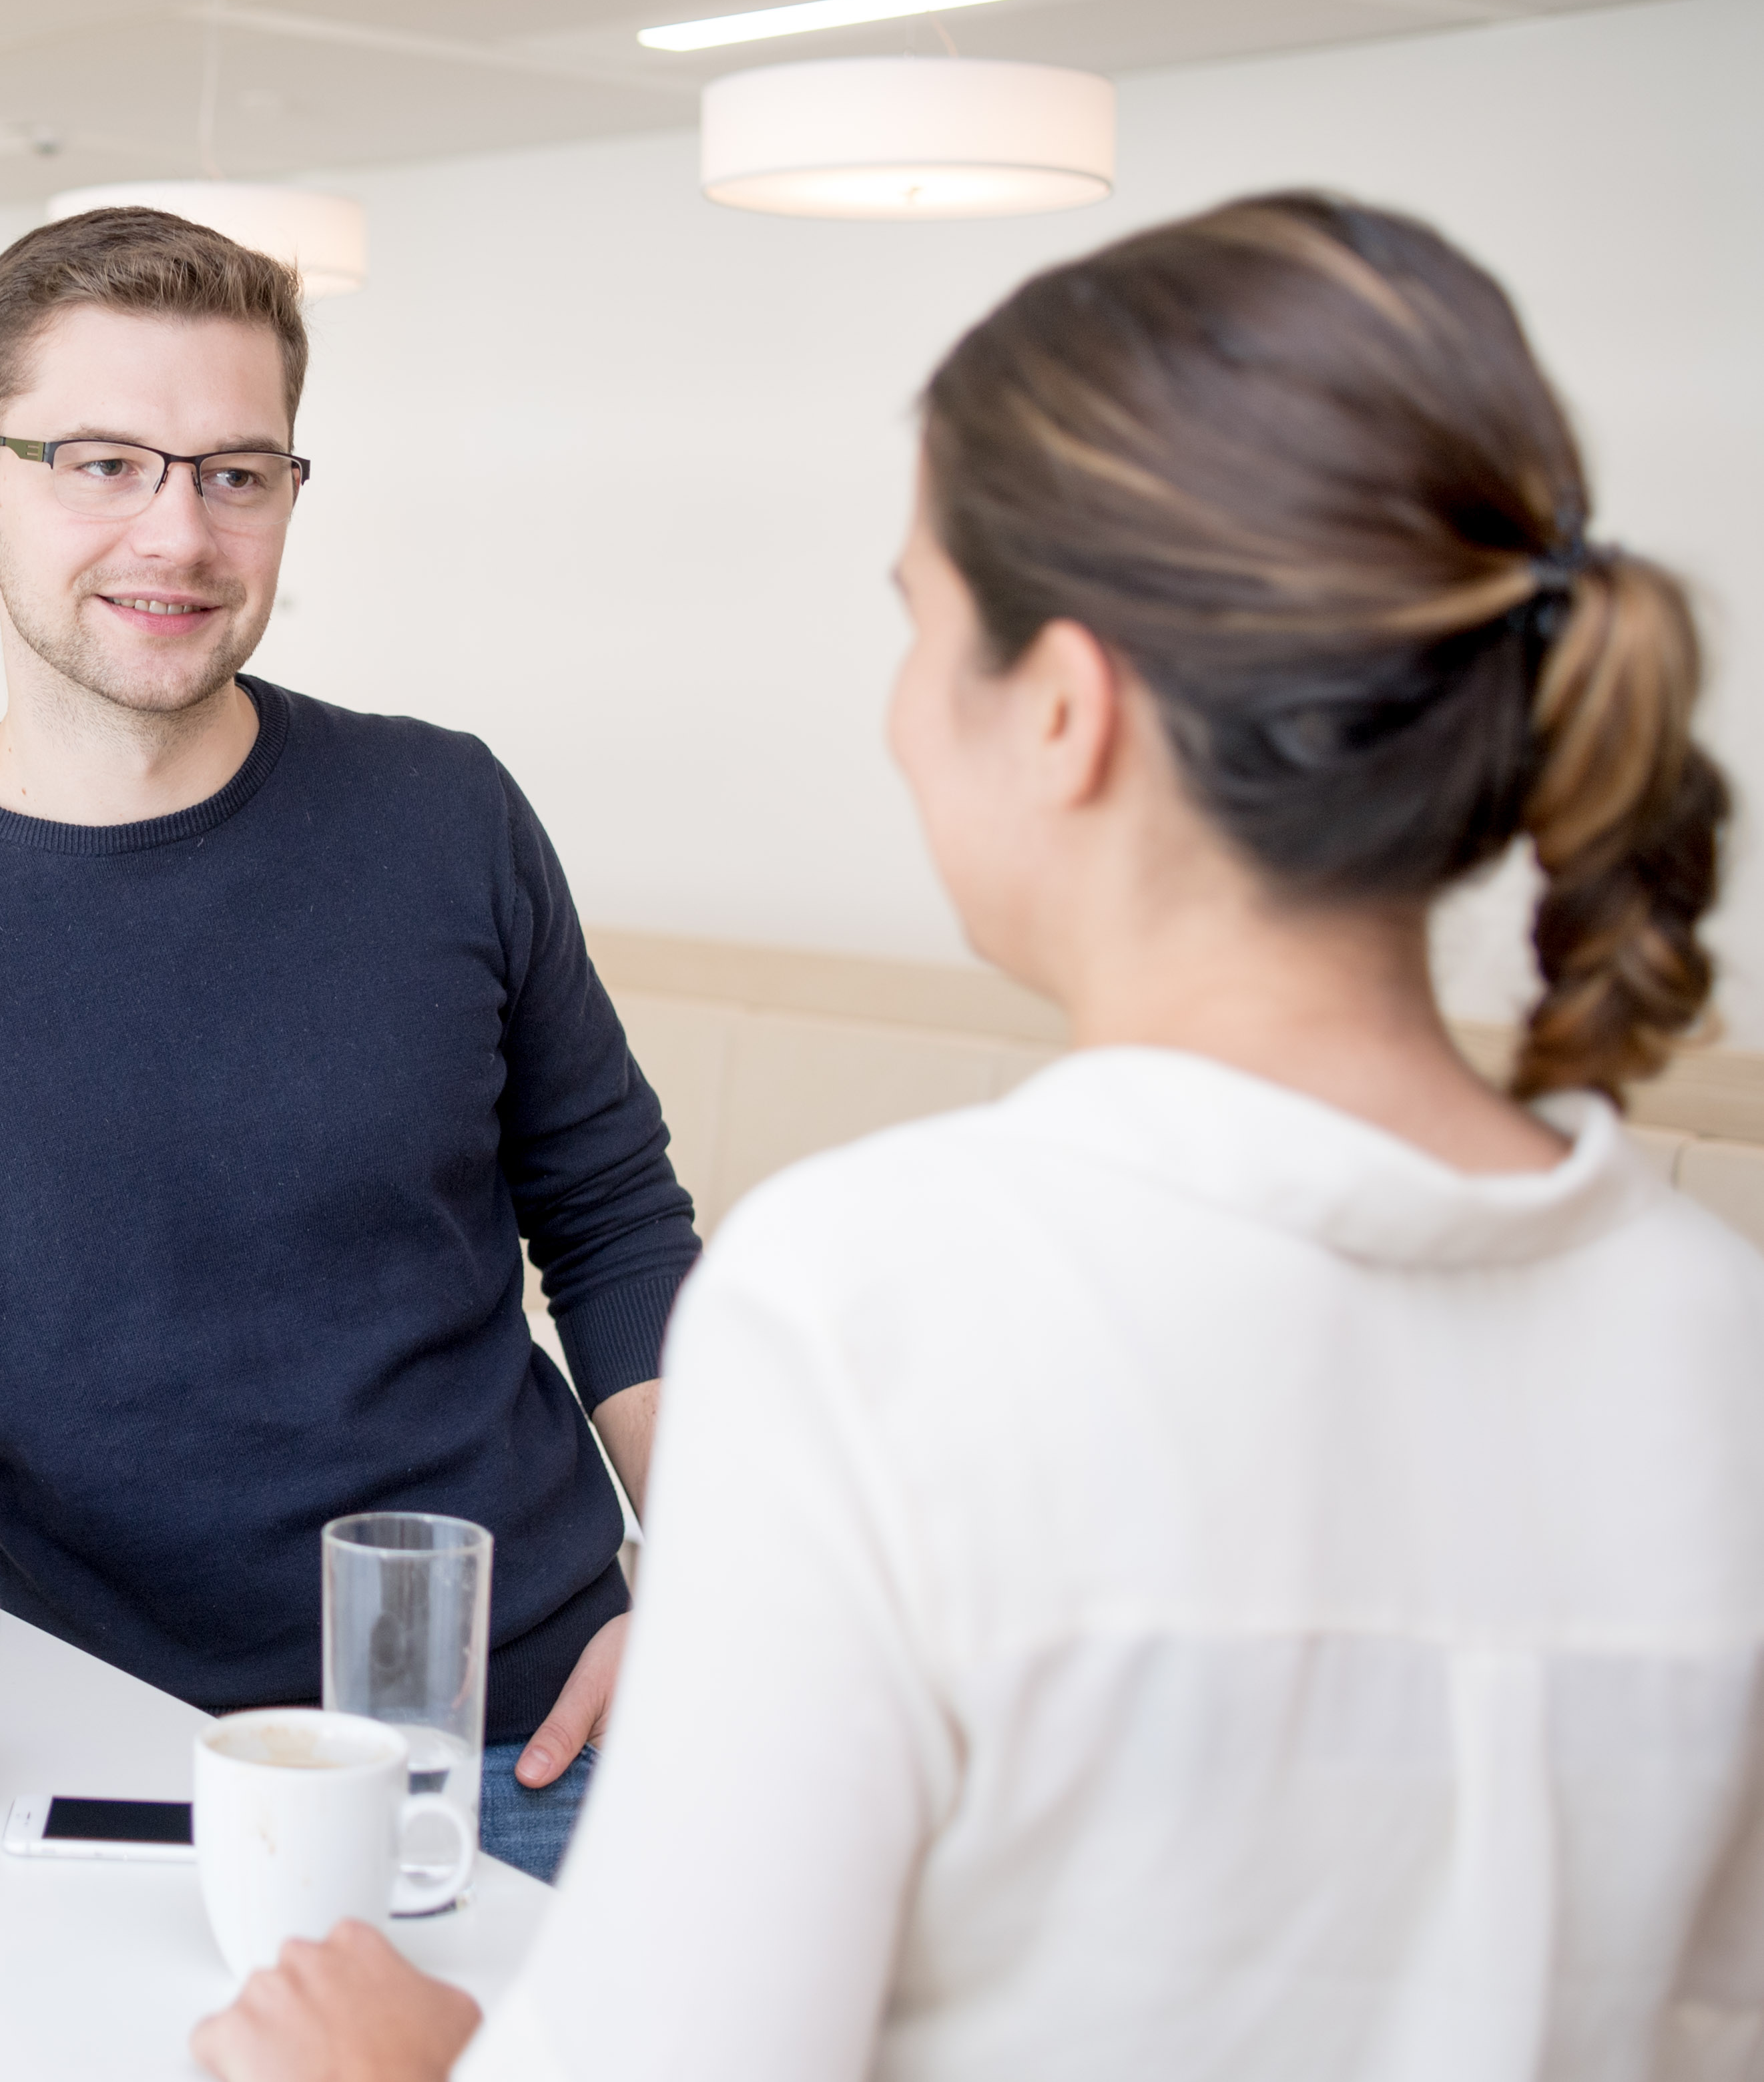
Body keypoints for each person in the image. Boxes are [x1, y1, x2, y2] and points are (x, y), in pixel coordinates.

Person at [188, 194, 1764, 2081]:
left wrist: (403, 2064)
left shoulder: (877, 1302)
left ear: (1067, 709)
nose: (897, 716)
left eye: (921, 627)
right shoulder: (1714, 1331)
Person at [0, 207, 703, 1880]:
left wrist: (731, 1599)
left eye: (235, 473)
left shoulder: (447, 817)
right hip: (136, 1769)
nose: (179, 532)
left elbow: (613, 1229)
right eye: (98, 462)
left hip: (554, 1729)